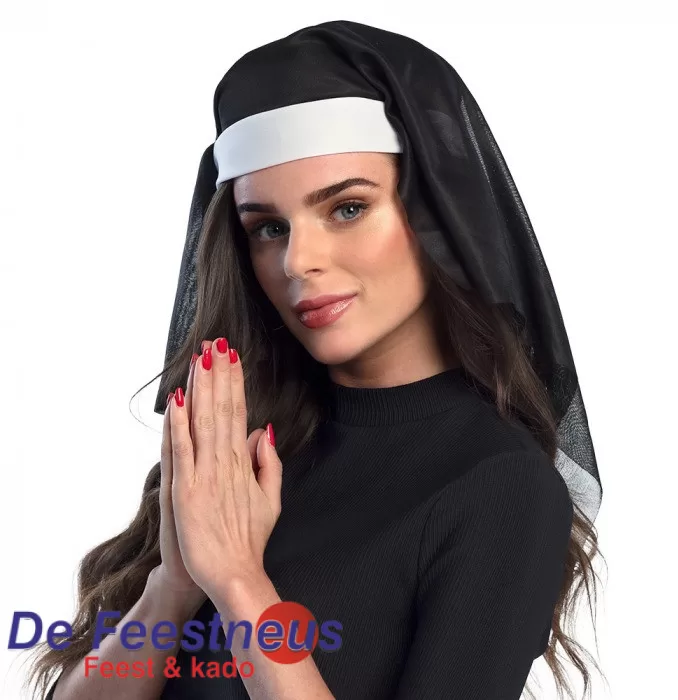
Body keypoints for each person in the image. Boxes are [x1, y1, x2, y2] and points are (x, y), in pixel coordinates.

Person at [30, 19, 604, 700]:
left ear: (437, 216)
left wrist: (239, 583)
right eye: (268, 228)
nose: (297, 260)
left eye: (347, 208)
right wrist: (174, 584)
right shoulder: (243, 444)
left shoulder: (499, 487)